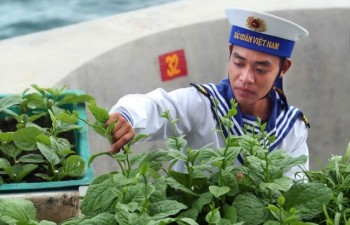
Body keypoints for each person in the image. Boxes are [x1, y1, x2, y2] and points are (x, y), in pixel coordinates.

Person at [106, 7, 310, 179]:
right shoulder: (203, 104)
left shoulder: (293, 128)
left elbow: (296, 190)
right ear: (230, 53)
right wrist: (128, 116)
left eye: (261, 69)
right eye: (238, 63)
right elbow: (157, 105)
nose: (246, 77)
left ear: (283, 69)